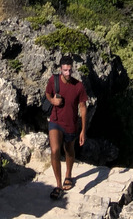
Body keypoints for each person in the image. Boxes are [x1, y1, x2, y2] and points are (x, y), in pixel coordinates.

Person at [43, 57, 93, 191]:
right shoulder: (53, 80)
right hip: (55, 121)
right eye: (65, 70)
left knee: (69, 151)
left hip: (71, 124)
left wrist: (83, 130)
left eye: (70, 70)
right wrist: (53, 101)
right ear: (61, 69)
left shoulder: (78, 86)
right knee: (54, 150)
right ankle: (58, 185)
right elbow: (48, 94)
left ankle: (68, 174)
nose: (68, 73)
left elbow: (83, 108)